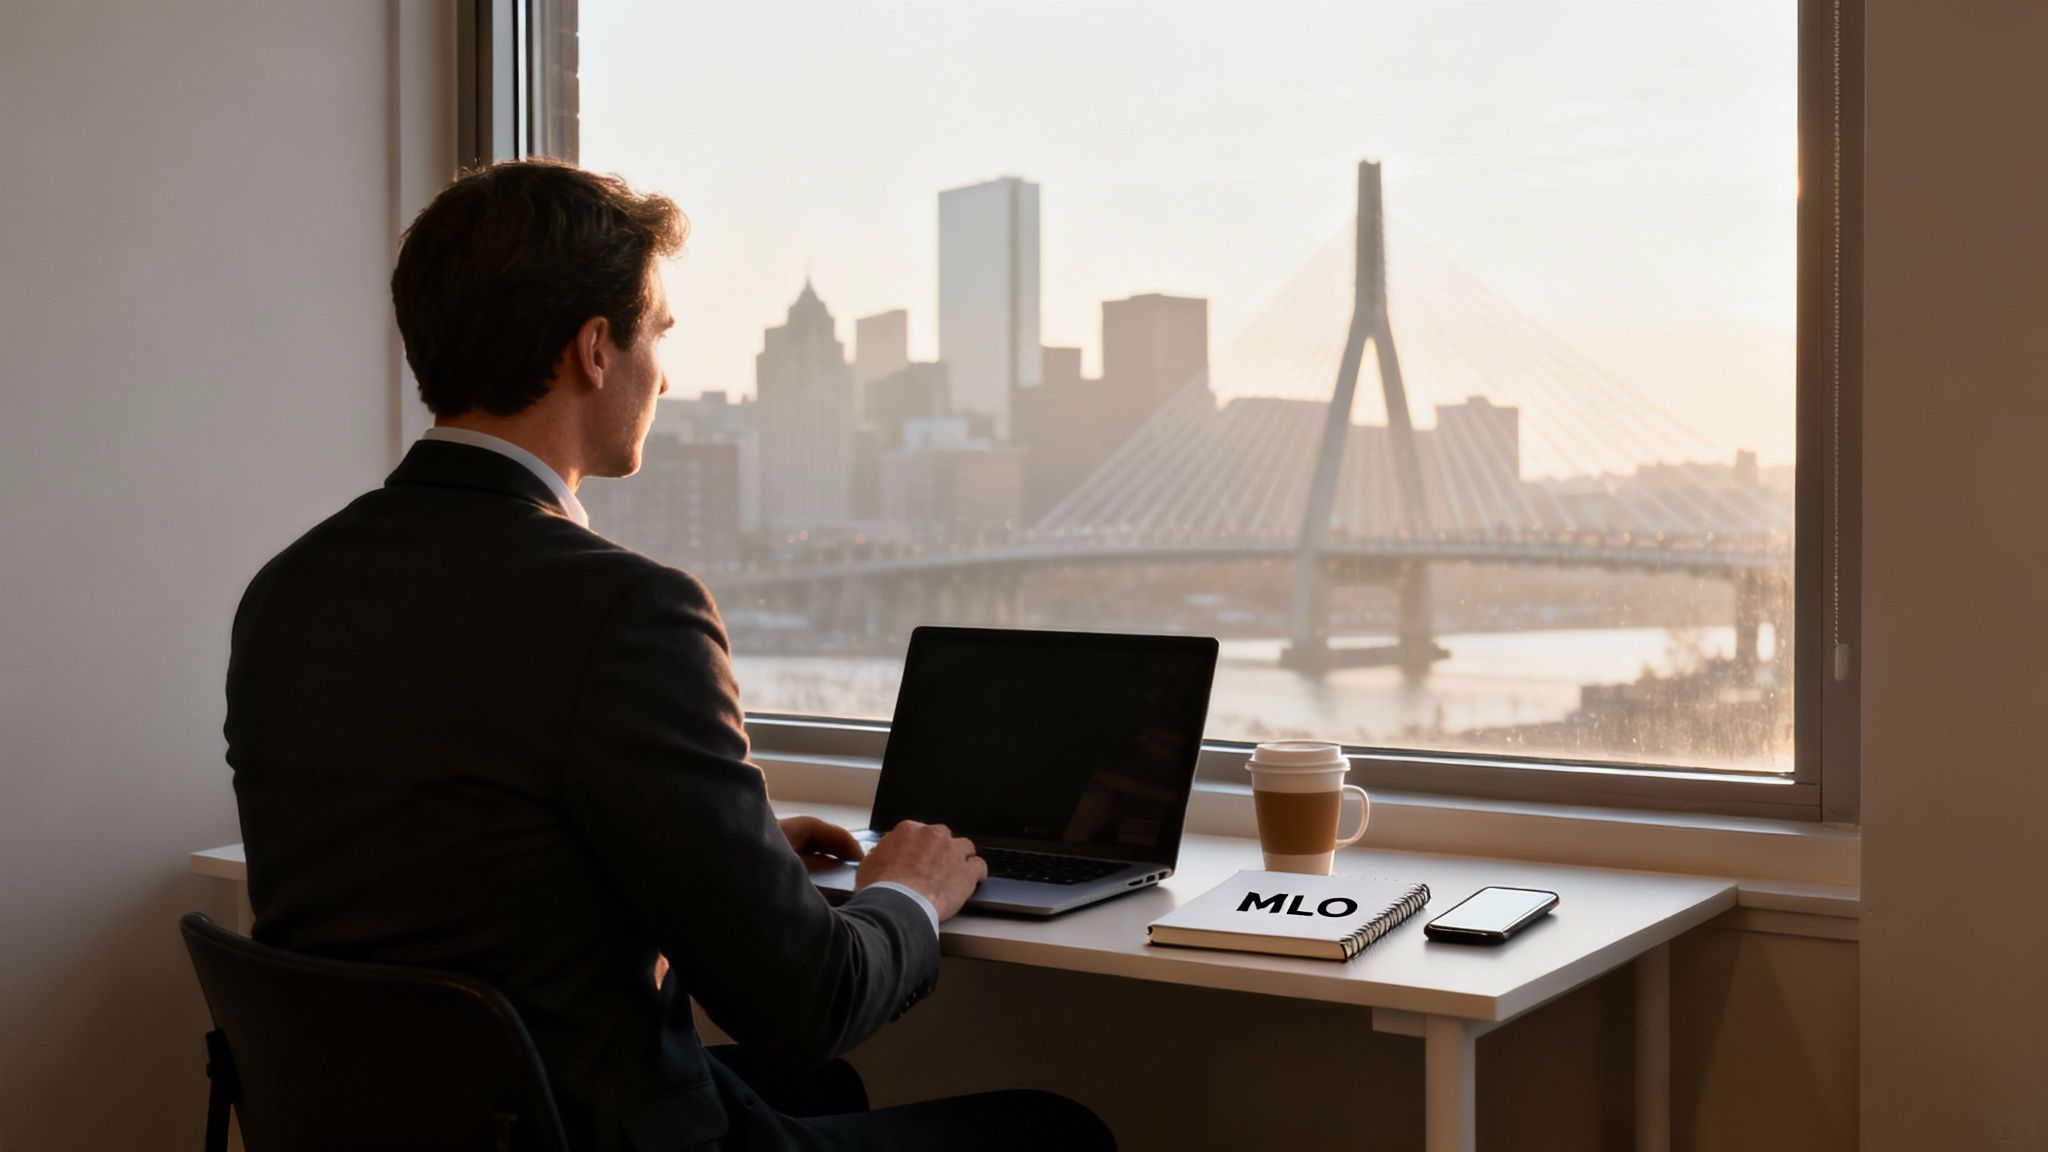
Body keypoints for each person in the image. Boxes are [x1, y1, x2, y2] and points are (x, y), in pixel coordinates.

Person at [224, 159, 1115, 1152]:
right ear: (595, 349)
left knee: (819, 1091)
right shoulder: (625, 609)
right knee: (1050, 1129)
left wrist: (712, 847)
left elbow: (450, 859)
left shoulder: (288, 589)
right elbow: (807, 1002)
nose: (664, 372)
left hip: (410, 1126)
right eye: (657, 335)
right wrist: (909, 892)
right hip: (588, 1133)